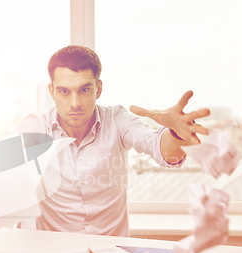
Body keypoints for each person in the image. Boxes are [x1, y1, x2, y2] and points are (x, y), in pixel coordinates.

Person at [17, 45, 210, 237]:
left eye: (84, 90)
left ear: (98, 89)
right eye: (64, 92)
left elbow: (160, 149)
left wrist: (176, 134)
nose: (74, 103)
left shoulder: (117, 119)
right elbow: (21, 152)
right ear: (51, 91)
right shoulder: (38, 125)